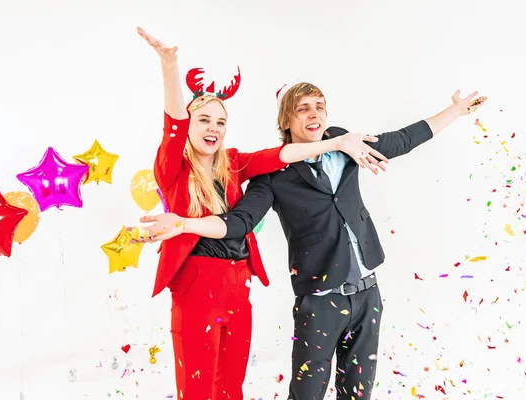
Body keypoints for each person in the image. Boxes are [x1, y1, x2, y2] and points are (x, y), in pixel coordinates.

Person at [136, 81, 486, 400]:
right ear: (286, 120)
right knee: (306, 395)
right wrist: (183, 224)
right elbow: (239, 222)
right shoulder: (272, 175)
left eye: (319, 106)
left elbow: (402, 140)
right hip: (319, 300)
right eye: (303, 108)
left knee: (358, 393)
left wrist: (454, 111)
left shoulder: (346, 143)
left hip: (368, 294)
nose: (314, 114)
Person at [135, 27, 391, 400]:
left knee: (231, 384)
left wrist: (336, 142)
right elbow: (172, 125)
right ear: (189, 125)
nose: (213, 129)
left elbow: (280, 155)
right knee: (198, 385)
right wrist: (170, 63)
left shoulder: (234, 164)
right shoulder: (173, 168)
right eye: (204, 120)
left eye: (220, 122)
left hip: (238, 282)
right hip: (196, 281)